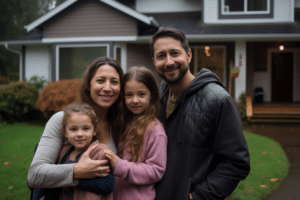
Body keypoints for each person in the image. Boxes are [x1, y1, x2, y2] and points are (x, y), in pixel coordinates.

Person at [150, 27, 250, 199]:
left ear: (189, 55)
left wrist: (198, 196)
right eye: (161, 56)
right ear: (154, 61)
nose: (168, 62)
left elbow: (236, 163)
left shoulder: (218, 100)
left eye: (175, 53)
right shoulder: (158, 98)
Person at [27, 57, 125, 192]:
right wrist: (77, 170)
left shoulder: (122, 125)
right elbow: (34, 175)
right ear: (89, 85)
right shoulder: (61, 120)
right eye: (100, 80)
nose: (107, 88)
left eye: (114, 82)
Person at [103, 67, 167, 200]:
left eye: (141, 94)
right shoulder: (124, 123)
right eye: (129, 95)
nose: (135, 100)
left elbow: (156, 170)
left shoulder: (155, 131)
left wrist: (120, 166)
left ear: (152, 95)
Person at [32, 104, 114, 200]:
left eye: (86, 129)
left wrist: (75, 180)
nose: (80, 134)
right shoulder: (63, 152)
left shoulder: (100, 153)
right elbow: (52, 179)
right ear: (66, 132)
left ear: (94, 130)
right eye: (73, 129)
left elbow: (107, 185)